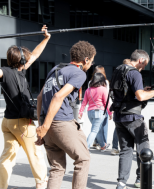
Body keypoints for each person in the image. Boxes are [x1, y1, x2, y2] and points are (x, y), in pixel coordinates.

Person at [0, 26, 50, 189]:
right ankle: (41, 184)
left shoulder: (7, 72)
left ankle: (0, 187)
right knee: (36, 155)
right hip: (22, 123)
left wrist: (45, 39)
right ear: (21, 60)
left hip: (7, 122)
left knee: (7, 157)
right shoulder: (13, 72)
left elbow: (34, 54)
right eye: (25, 58)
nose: (28, 59)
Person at [36, 41, 96, 188]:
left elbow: (39, 97)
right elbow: (58, 97)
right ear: (86, 60)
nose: (91, 64)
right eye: (92, 60)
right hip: (61, 122)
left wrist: (42, 127)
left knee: (57, 168)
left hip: (48, 125)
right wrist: (45, 126)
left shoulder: (56, 69)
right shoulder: (79, 73)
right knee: (83, 160)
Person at [111, 50, 154, 189]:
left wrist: (144, 89)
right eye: (145, 63)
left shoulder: (119, 69)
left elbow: (128, 91)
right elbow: (140, 97)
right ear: (141, 60)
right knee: (143, 148)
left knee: (125, 150)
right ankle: (142, 179)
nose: (145, 67)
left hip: (119, 116)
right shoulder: (134, 72)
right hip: (133, 117)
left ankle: (121, 183)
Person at [79, 72, 112, 151]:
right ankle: (86, 148)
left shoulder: (88, 90)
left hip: (90, 112)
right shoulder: (103, 89)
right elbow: (106, 103)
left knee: (97, 129)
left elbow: (84, 103)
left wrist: (80, 112)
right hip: (99, 112)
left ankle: (103, 145)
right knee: (94, 130)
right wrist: (110, 113)